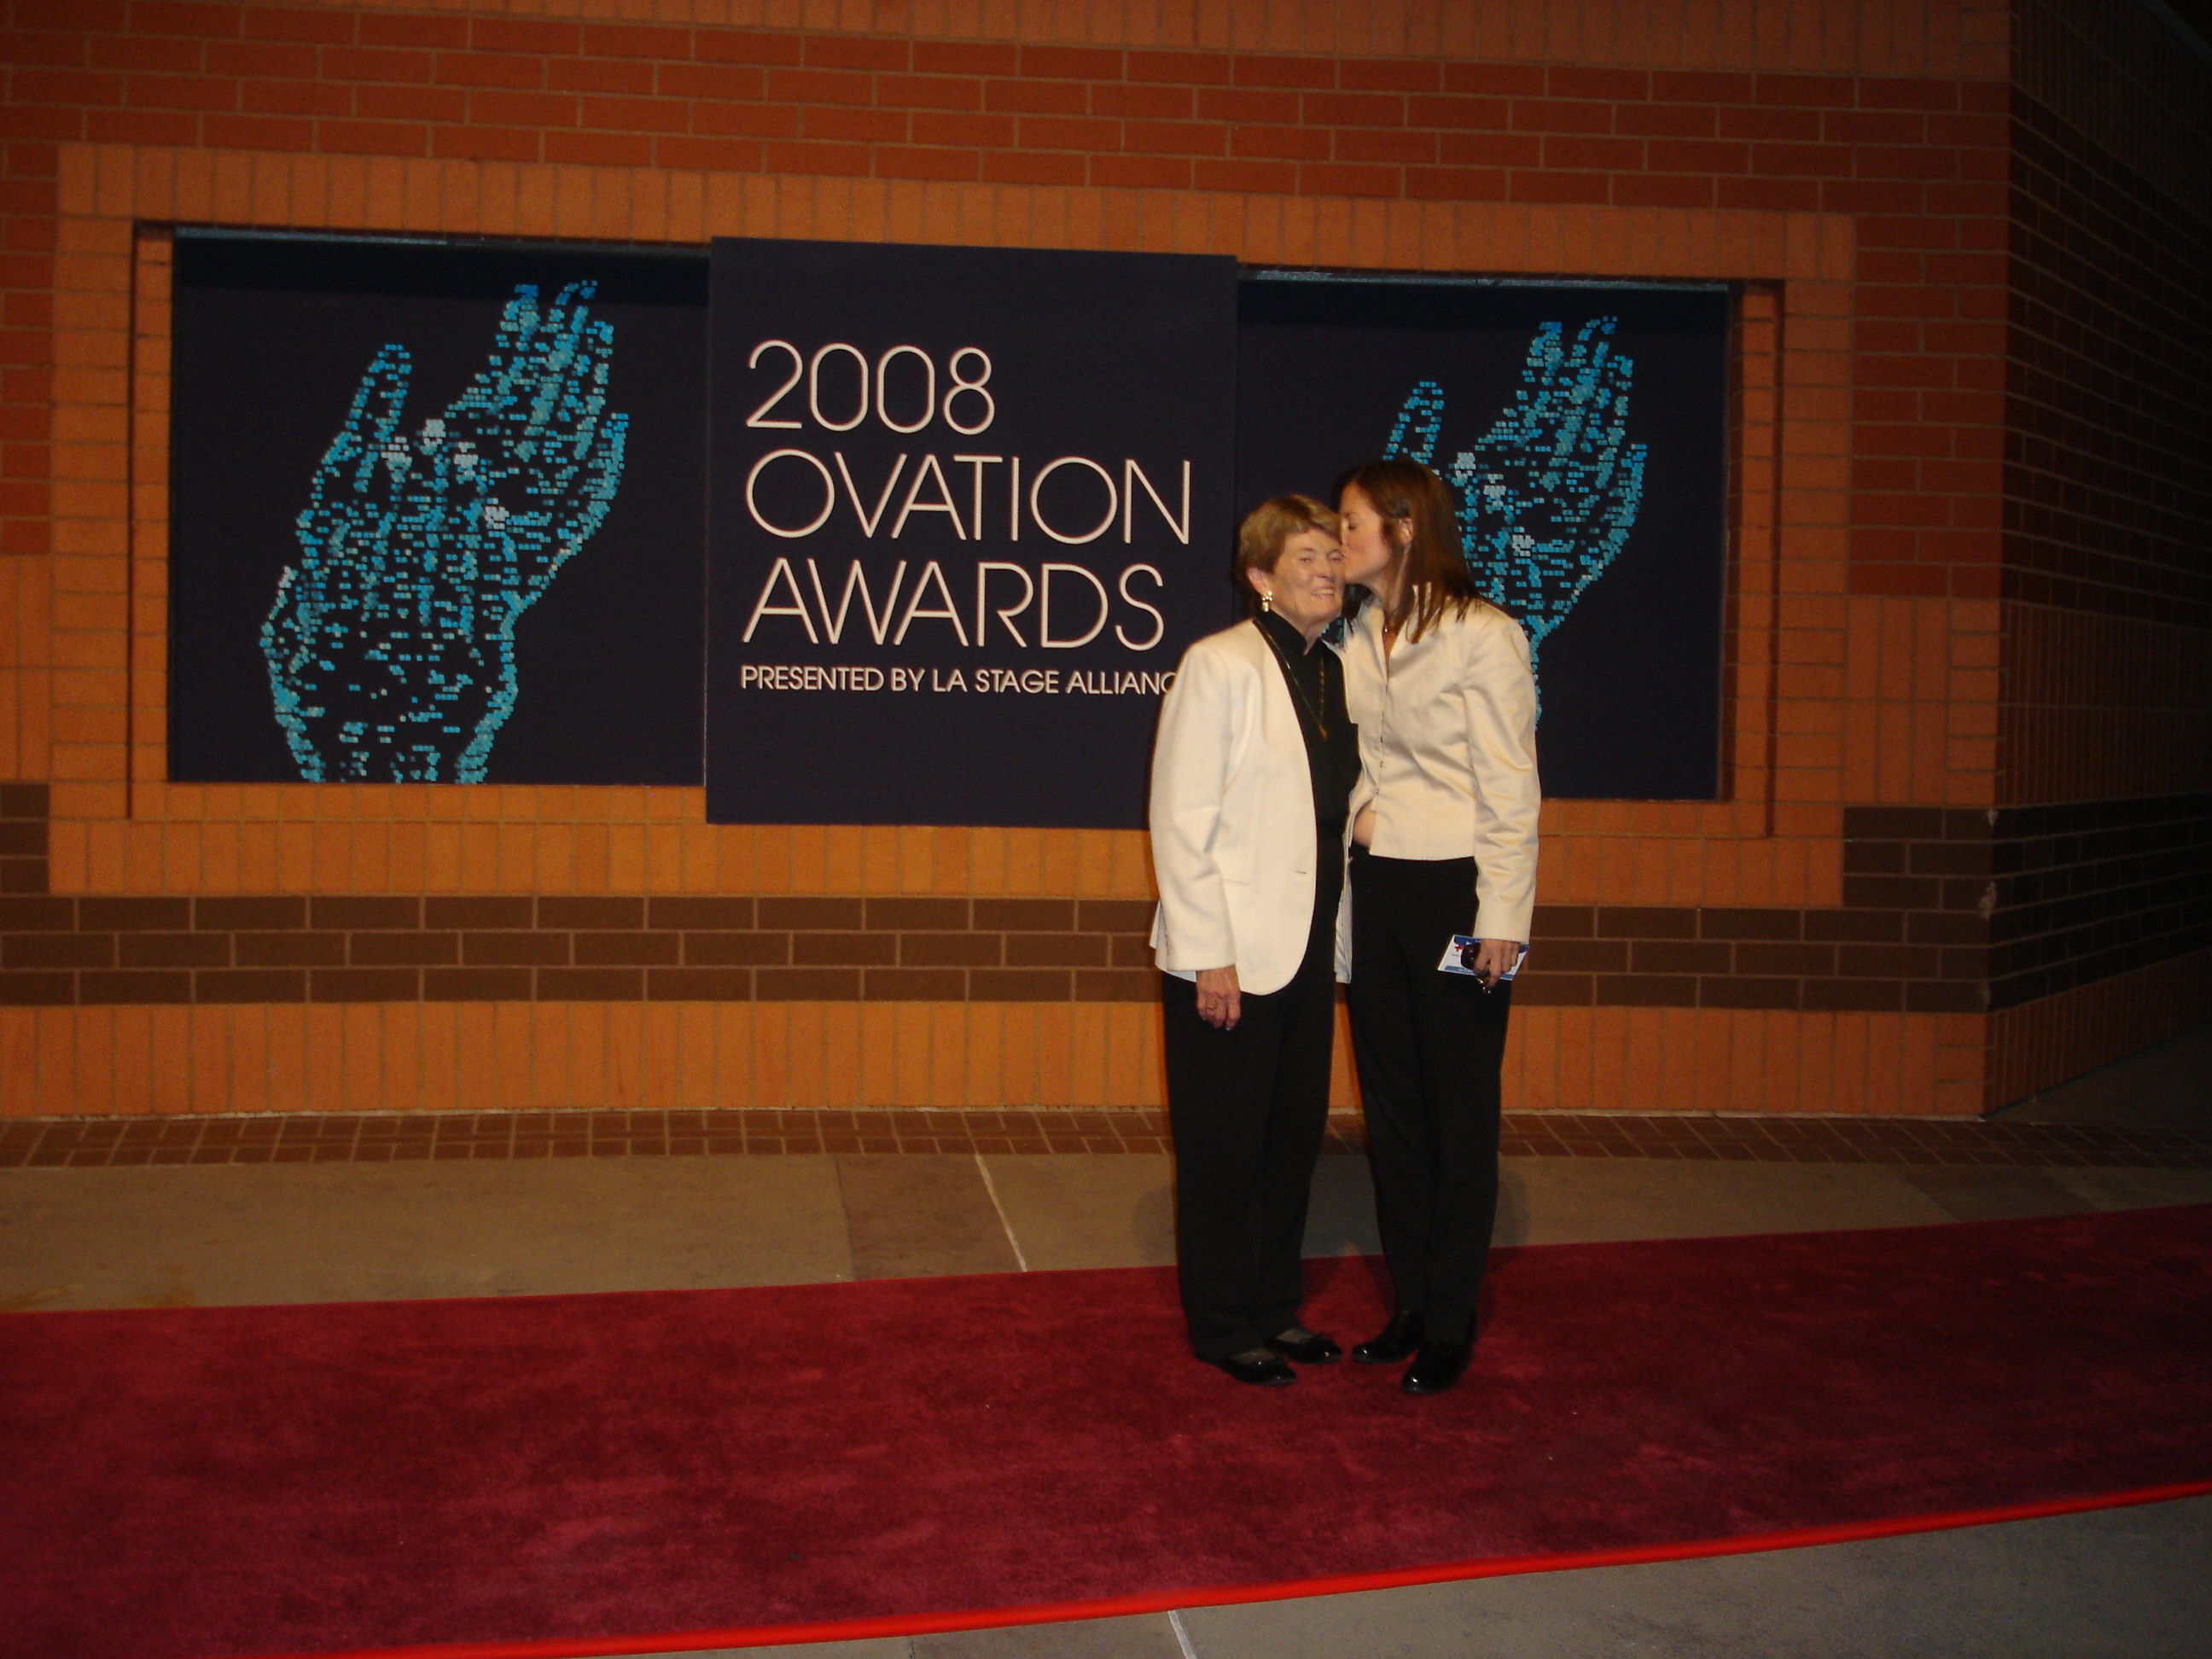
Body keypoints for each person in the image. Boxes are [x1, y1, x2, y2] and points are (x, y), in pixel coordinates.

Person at [1335, 460, 1540, 1397]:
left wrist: (1505, 921)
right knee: (1395, 1113)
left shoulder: (1484, 636)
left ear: (1405, 528)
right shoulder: (1361, 630)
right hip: (1377, 892)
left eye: (1352, 523)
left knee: (1459, 1109)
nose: (1340, 539)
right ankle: (1412, 1303)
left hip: (1460, 900)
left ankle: (1451, 1322)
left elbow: (1513, 789)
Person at [1149, 497, 1363, 1387]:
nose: (1325, 570)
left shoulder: (1339, 670)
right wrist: (1210, 951)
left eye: (1332, 555)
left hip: (1310, 946)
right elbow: (1179, 815)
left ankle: (1276, 1308)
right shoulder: (1221, 665)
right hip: (1229, 952)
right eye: (1304, 557)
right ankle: (1224, 1321)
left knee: (1287, 1140)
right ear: (1260, 576)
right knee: (1223, 1147)